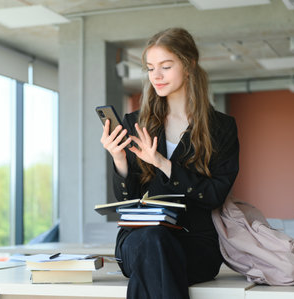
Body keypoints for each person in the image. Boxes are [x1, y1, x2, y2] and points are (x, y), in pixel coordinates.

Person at [100, 27, 239, 299]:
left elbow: (214, 195)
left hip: (195, 245)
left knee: (154, 256)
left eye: (165, 66)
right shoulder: (135, 123)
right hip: (140, 239)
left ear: (189, 66)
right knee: (153, 240)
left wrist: (164, 164)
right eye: (151, 68)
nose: (157, 76)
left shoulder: (221, 127)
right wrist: (119, 159)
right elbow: (128, 201)